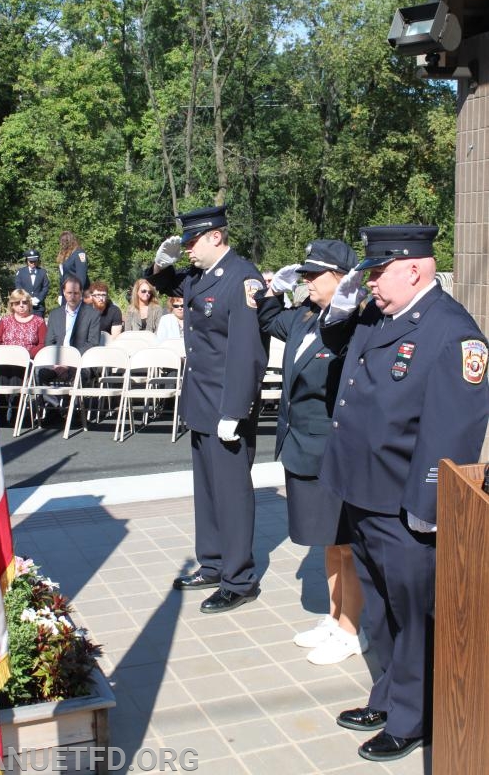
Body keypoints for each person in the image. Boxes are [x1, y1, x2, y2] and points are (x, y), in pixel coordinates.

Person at [319, 225, 489, 762]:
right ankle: (389, 696)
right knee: (384, 611)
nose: (369, 283)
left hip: (404, 504)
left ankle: (413, 718)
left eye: (377, 272)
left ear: (413, 269)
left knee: (413, 615)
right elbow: (338, 355)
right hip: (363, 492)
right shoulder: (379, 313)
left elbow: (452, 430)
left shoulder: (452, 332)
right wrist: (341, 309)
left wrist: (429, 504)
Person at [147, 206, 269, 613]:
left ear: (216, 236)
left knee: (232, 494)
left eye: (192, 242)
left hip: (226, 406)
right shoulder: (200, 276)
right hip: (201, 401)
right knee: (208, 491)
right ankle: (213, 563)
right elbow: (167, 281)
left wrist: (235, 409)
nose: (187, 251)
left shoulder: (242, 279)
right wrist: (161, 263)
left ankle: (239, 578)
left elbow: (247, 351)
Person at [255, 241, 367, 665]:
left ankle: (352, 629)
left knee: (345, 543)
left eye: (312, 275)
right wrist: (273, 292)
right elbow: (269, 319)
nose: (305, 281)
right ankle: (335, 617)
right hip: (301, 447)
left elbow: (344, 342)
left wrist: (347, 306)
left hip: (329, 451)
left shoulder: (348, 325)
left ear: (340, 278)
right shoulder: (307, 316)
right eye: (302, 275)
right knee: (328, 541)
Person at [37, 276, 100, 406]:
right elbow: (49, 342)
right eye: (69, 293)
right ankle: (55, 408)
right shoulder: (55, 314)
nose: (72, 296)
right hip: (57, 362)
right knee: (40, 373)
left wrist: (69, 361)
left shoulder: (92, 314)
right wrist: (56, 363)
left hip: (80, 362)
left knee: (79, 375)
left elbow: (93, 343)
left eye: (76, 293)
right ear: (64, 293)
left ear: (81, 293)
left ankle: (73, 412)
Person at [0, 288, 47, 420]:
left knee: (17, 372)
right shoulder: (5, 321)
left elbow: (43, 344)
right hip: (6, 360)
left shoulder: (39, 322)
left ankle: (16, 411)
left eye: (24, 302)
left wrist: (26, 355)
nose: (21, 305)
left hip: (26, 361)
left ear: (29, 304)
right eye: (17, 303)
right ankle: (1, 412)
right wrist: (7, 355)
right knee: (2, 371)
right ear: (12, 305)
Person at [15, 249, 50, 317]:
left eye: (35, 261)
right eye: (31, 261)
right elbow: (18, 287)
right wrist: (27, 299)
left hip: (38, 307)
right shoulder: (21, 272)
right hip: (24, 305)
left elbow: (45, 287)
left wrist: (38, 299)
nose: (33, 263)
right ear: (27, 261)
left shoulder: (43, 272)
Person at [57, 231, 89, 302]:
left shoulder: (79, 254)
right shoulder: (65, 255)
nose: (62, 244)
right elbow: (63, 277)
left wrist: (77, 293)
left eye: (64, 241)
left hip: (76, 294)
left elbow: (81, 277)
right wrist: (61, 293)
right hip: (66, 293)